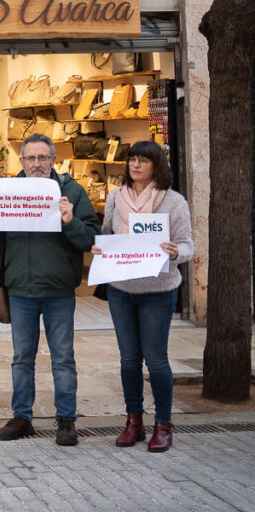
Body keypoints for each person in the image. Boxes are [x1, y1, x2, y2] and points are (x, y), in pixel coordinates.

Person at [0, 133, 99, 446]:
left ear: (53, 160)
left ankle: (66, 418)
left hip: (58, 289)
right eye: (31, 158)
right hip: (20, 289)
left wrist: (69, 220)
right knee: (22, 358)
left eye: (43, 158)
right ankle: (22, 417)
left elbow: (89, 239)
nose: (37, 164)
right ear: (22, 161)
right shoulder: (6, 191)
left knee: (63, 358)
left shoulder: (71, 190)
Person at [97, 140, 193, 453]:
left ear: (157, 165)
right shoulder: (115, 197)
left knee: (156, 360)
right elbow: (108, 234)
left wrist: (176, 251)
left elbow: (187, 245)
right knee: (128, 360)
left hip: (158, 289)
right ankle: (134, 421)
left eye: (143, 160)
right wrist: (101, 248)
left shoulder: (173, 202)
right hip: (122, 289)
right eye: (132, 160)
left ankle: (163, 424)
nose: (135, 165)